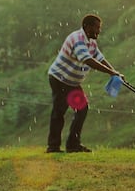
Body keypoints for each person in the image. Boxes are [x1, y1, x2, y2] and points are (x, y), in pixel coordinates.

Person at [47, 14, 121, 153]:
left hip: (72, 83)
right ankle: (53, 146)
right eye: (97, 28)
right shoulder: (77, 39)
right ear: (87, 26)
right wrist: (111, 72)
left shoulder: (91, 42)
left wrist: (114, 72)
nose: (99, 31)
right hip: (59, 79)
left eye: (100, 28)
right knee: (59, 111)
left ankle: (73, 145)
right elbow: (87, 60)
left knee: (82, 109)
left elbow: (99, 58)